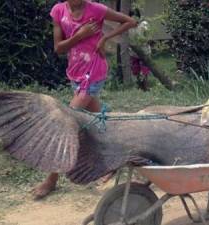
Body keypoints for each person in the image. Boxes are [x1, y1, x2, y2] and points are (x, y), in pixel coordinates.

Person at [32, 0, 137, 200]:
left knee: (67, 121)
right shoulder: (58, 11)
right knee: (98, 120)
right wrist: (80, 35)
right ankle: (117, 158)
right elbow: (59, 48)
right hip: (75, 72)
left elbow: (129, 21)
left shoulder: (95, 9)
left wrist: (105, 37)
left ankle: (51, 179)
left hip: (94, 72)